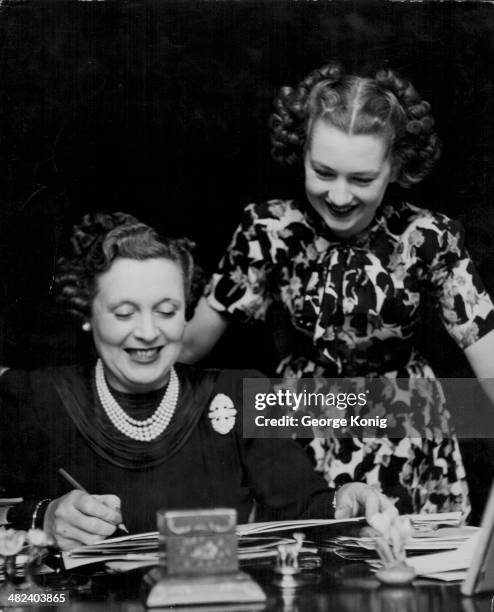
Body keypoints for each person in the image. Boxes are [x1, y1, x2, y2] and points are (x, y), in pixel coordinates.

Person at [180, 62, 494, 515]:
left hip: (405, 429)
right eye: (323, 172)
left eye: (362, 179)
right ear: (301, 152)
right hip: (297, 423)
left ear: (396, 166)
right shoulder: (267, 228)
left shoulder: (429, 237)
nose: (340, 196)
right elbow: (190, 347)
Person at [0, 212, 395, 551]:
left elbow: (306, 505)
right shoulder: (35, 398)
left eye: (167, 310)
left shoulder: (240, 393)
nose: (149, 332)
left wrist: (345, 501)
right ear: (87, 313)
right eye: (124, 313)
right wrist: (43, 517)